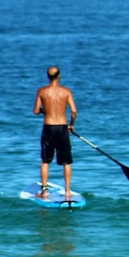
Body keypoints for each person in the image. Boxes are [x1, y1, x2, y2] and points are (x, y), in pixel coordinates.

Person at [33, 66, 78, 199]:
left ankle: (44, 191)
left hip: (49, 127)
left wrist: (45, 110)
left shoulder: (42, 91)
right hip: (62, 128)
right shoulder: (66, 91)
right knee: (66, 162)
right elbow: (74, 111)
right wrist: (71, 125)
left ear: (48, 76)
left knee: (45, 161)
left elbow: (36, 111)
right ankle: (68, 191)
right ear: (59, 76)